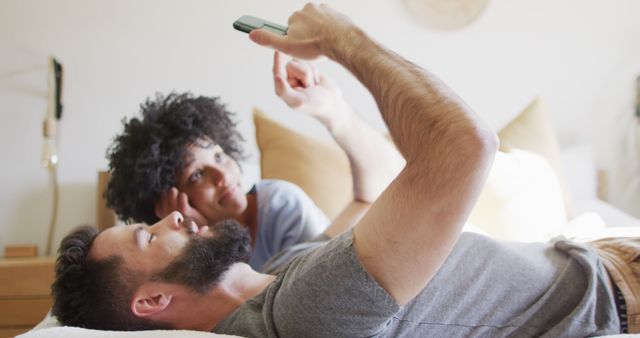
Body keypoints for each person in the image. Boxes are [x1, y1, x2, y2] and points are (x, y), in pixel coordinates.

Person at [51, 3, 638, 337]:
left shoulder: (280, 273)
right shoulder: (303, 310)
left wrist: (331, 109)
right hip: (613, 293)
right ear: (151, 302)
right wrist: (340, 38)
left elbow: (370, 194)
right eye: (149, 233)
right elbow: (465, 146)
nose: (181, 209)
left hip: (591, 260)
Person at [104, 52, 402, 271]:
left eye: (219, 156)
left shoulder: (280, 204)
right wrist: (189, 245)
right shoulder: (177, 258)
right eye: (197, 175)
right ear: (169, 206)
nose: (222, 174)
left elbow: (305, 286)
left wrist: (332, 110)